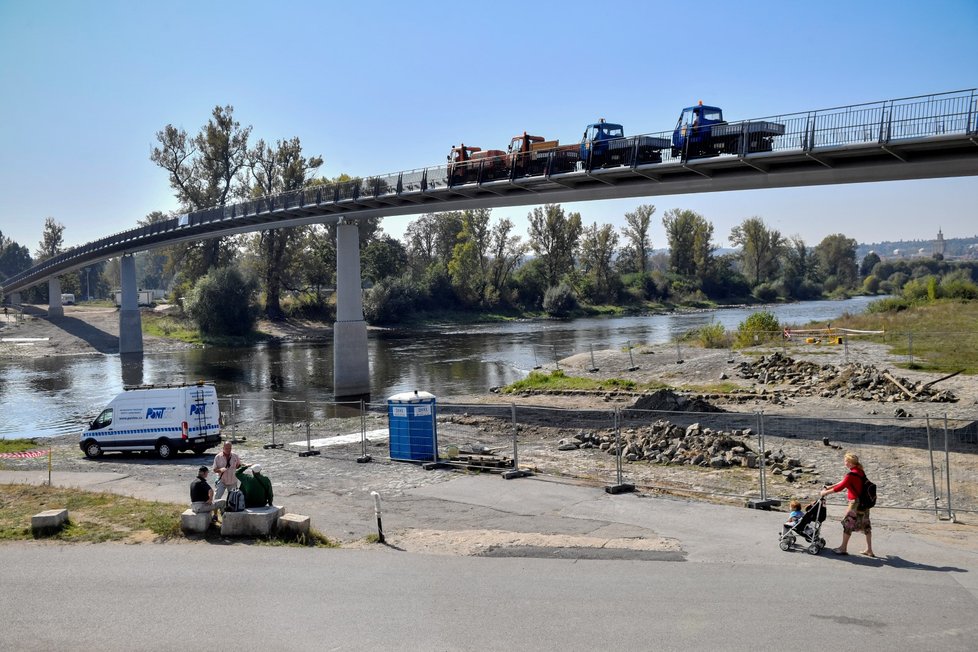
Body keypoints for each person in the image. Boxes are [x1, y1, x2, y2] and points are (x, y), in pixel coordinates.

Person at [820, 452, 875, 557]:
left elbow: (840, 487)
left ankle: (843, 548)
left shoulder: (851, 475)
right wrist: (830, 486)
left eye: (846, 461)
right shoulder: (859, 471)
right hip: (864, 503)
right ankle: (869, 550)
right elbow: (844, 482)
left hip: (855, 503)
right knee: (866, 525)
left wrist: (825, 492)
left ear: (849, 463)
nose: (845, 463)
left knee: (848, 525)